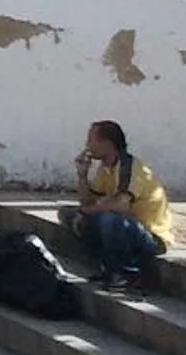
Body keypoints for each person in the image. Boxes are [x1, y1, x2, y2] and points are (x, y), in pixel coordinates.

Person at [72, 119, 174, 289]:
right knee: (68, 215)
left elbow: (121, 206)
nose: (87, 144)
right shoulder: (104, 168)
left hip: (151, 235)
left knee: (108, 219)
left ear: (107, 143)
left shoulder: (128, 167)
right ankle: (108, 268)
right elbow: (87, 201)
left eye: (91, 139)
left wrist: (86, 211)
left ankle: (127, 274)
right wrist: (82, 175)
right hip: (126, 228)